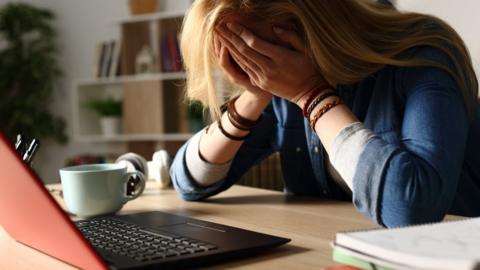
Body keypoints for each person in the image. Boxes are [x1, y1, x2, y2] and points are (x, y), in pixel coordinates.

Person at [170, 0, 480, 228]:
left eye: (259, 55)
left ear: (311, 29)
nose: (258, 68)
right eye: (241, 59)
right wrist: (255, 93)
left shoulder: (424, 51)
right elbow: (189, 181)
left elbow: (413, 210)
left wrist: (310, 94)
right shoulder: (278, 86)